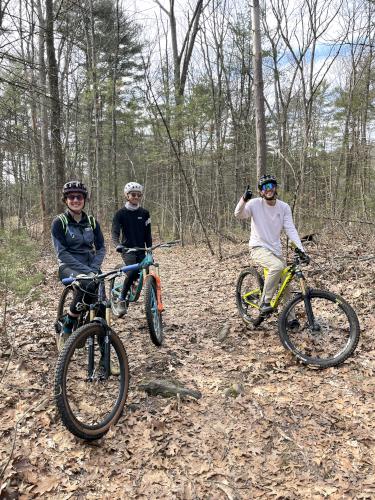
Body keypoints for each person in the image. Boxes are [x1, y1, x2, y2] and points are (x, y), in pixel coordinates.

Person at [234, 174, 308, 321]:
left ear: (275, 188)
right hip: (257, 247)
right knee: (277, 266)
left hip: (276, 250)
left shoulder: (284, 207)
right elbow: (238, 214)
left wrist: (301, 250)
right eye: (265, 187)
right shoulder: (255, 204)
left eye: (271, 186)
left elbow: (290, 229)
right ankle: (264, 301)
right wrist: (243, 200)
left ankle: (290, 319)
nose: (269, 189)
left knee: (287, 284)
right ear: (261, 191)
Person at [51, 181, 105, 349]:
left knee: (102, 305)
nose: (75, 200)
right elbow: (62, 253)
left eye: (79, 197)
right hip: (68, 267)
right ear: (66, 200)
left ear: (84, 199)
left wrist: (94, 268)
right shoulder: (59, 222)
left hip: (91, 267)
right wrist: (88, 272)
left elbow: (101, 247)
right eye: (71, 197)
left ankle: (105, 353)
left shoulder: (92, 222)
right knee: (87, 283)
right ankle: (68, 325)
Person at [111, 182, 152, 316]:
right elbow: (115, 232)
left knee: (145, 270)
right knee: (133, 270)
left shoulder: (145, 213)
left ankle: (139, 290)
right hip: (127, 250)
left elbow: (148, 233)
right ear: (127, 196)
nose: (136, 197)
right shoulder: (120, 213)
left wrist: (149, 249)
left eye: (138, 195)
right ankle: (122, 299)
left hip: (141, 249)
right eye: (133, 194)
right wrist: (118, 244)